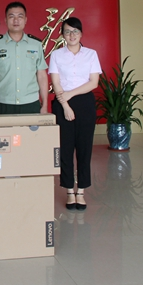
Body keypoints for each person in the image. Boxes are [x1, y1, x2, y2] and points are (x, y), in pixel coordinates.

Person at [49, 16, 101, 211]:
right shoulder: (56, 55)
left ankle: (82, 191)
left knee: (84, 149)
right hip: (62, 104)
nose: (72, 35)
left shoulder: (91, 54)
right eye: (67, 32)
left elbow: (93, 82)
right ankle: (70, 190)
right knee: (65, 148)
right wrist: (65, 105)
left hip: (85, 103)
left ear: (81, 34)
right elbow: (56, 83)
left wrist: (70, 95)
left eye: (75, 31)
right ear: (62, 35)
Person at [0, 1, 49, 115]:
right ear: (5, 20)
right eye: (11, 17)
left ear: (25, 20)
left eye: (20, 16)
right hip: (4, 103)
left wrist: (44, 105)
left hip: (31, 102)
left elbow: (42, 76)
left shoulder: (36, 45)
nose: (16, 20)